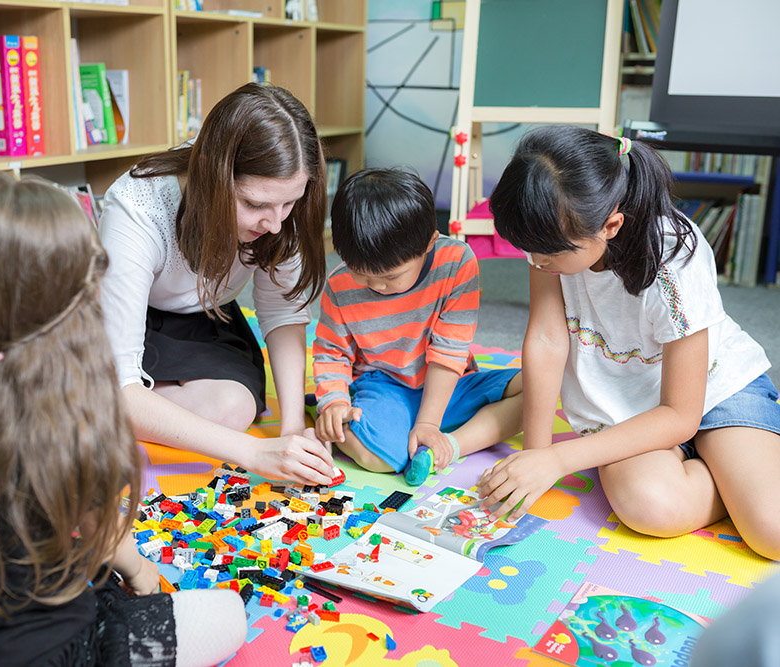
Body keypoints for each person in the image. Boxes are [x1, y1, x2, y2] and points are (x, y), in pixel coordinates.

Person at [0, 173, 246, 666]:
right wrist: (143, 577)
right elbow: (107, 539)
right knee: (229, 616)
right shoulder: (74, 407)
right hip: (45, 652)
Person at [478, 125, 780, 560]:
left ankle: (745, 479)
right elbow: (546, 338)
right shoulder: (549, 237)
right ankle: (740, 481)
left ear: (611, 224)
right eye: (530, 250)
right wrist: (537, 458)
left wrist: (561, 461)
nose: (539, 262)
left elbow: (680, 414)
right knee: (649, 508)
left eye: (550, 254)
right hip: (628, 406)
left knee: (771, 533)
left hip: (715, 392)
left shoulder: (674, 258)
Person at [99, 82, 335, 486]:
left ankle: (126, 403)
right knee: (121, 396)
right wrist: (255, 453)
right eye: (255, 205)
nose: (275, 223)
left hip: (208, 316)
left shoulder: (279, 200)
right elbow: (119, 380)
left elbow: (281, 311)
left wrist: (293, 425)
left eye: (289, 202)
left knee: (232, 410)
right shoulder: (136, 208)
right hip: (130, 315)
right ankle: (95, 401)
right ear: (212, 179)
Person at [312, 168, 524, 486]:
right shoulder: (340, 284)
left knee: (541, 392)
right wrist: (334, 402)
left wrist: (427, 421)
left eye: (392, 276)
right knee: (382, 459)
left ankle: (450, 446)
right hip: (384, 388)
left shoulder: (456, 262)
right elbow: (331, 352)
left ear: (429, 243)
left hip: (449, 384)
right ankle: (331, 421)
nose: (378, 286)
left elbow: (449, 349)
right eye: (363, 274)